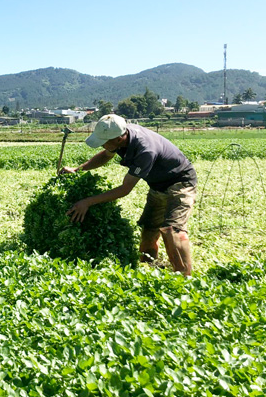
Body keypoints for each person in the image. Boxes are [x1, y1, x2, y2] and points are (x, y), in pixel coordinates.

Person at [60, 114, 197, 276]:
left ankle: (185, 278)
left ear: (118, 139)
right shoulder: (120, 136)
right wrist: (77, 170)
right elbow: (105, 155)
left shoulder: (144, 150)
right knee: (149, 229)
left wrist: (87, 202)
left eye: (104, 142)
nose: (102, 145)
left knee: (172, 231)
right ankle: (149, 268)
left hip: (180, 183)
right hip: (157, 185)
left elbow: (125, 189)